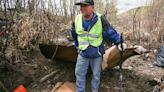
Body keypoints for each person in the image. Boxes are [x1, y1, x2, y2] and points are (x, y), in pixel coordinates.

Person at [71, 0, 125, 92]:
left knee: (96, 76)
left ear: (92, 7)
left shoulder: (100, 19)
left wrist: (119, 42)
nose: (82, 8)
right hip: (83, 53)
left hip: (96, 54)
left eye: (85, 5)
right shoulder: (77, 19)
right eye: (81, 6)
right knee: (79, 74)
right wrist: (76, 45)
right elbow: (74, 34)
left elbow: (109, 32)